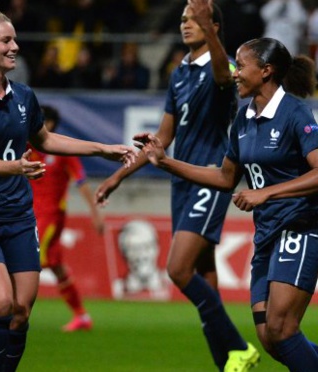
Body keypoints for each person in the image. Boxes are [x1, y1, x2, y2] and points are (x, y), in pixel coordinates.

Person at [135, 37, 318, 371]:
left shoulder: (295, 112)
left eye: (241, 65)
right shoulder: (243, 119)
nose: (234, 73)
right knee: (270, 338)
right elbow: (225, 178)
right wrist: (165, 162)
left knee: (283, 328)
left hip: (300, 228)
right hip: (267, 234)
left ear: (266, 71)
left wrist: (266, 192)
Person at [0, 11, 135, 371]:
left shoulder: (23, 96)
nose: (15, 46)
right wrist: (17, 167)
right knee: (0, 303)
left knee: (21, 311)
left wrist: (102, 148)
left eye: (15, 39)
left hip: (17, 216)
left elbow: (45, 139)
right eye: (6, 41)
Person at [96, 1, 260, 371]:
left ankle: (239, 347)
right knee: (204, 277)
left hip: (210, 177)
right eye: (183, 19)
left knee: (177, 269)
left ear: (213, 25)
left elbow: (224, 76)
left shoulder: (225, 69)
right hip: (182, 184)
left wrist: (213, 31)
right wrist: (118, 175)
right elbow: (163, 138)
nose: (185, 24)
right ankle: (229, 364)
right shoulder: (179, 73)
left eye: (195, 19)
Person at [28, 105, 105, 332]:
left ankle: (15, 310)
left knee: (31, 259)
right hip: (30, 214)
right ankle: (81, 316)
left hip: (52, 216)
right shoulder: (28, 146)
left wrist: (95, 214)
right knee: (55, 265)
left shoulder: (63, 150)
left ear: (50, 124)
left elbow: (81, 182)